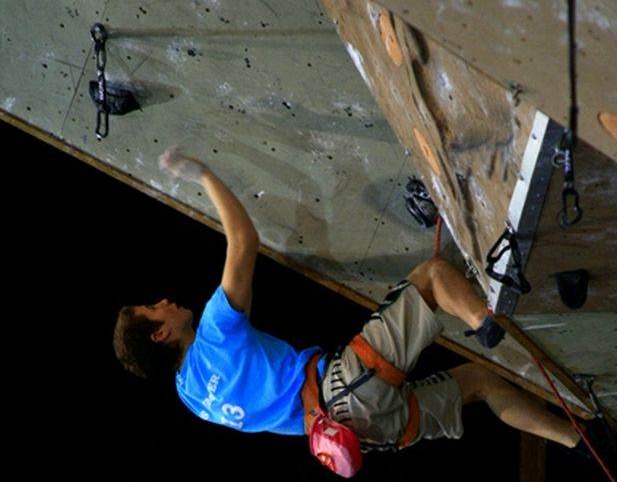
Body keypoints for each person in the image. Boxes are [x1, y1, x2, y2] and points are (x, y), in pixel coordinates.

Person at [113, 150, 581, 463]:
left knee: (479, 383)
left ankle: (576, 440)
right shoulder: (214, 334)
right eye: (154, 308)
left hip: (360, 434)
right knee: (434, 277)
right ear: (161, 334)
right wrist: (203, 174)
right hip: (344, 389)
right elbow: (242, 240)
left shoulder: (192, 399)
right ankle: (486, 323)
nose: (164, 302)